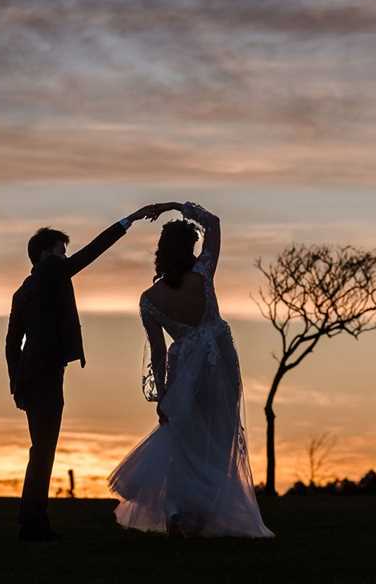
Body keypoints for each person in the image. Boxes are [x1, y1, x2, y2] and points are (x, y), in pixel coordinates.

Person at [108, 202, 274, 538]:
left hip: (185, 370)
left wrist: (164, 395)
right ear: (189, 248)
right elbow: (214, 222)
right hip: (220, 363)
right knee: (219, 436)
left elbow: (157, 353)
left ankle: (182, 511)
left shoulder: (149, 299)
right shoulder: (203, 274)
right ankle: (198, 512)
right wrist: (175, 206)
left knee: (186, 439)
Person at [5, 205, 160, 541]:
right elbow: (91, 253)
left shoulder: (23, 291)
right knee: (43, 449)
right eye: (61, 250)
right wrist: (128, 221)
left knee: (40, 448)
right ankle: (33, 523)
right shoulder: (52, 273)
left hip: (32, 377)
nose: (66, 256)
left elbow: (11, 344)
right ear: (46, 254)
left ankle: (31, 519)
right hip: (44, 376)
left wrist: (16, 383)